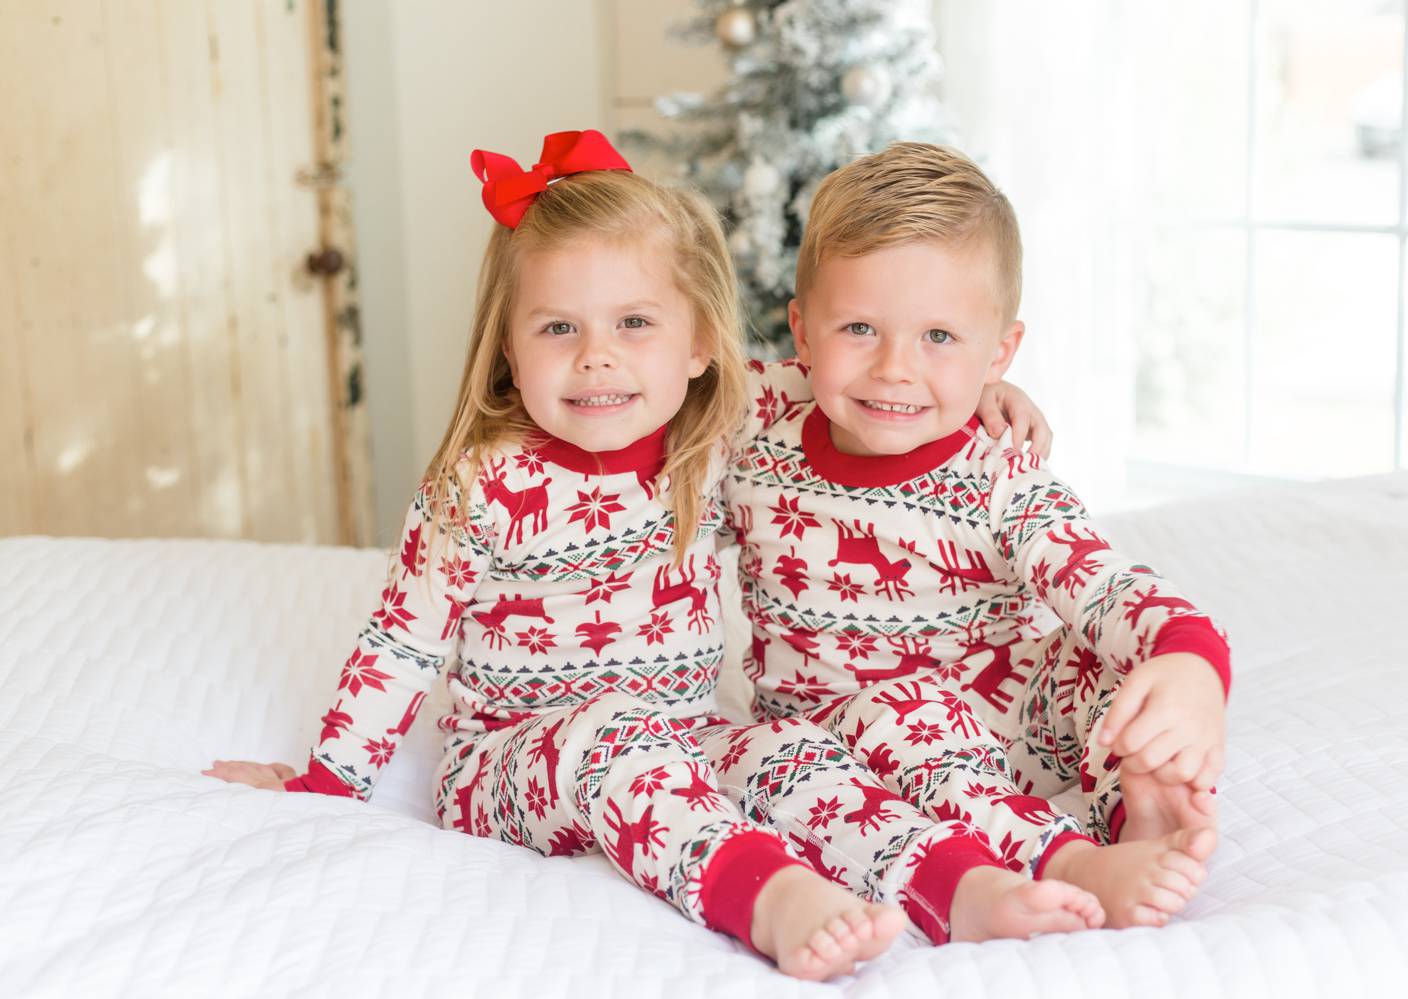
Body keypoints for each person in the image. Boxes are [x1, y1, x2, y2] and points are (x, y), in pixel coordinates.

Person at [201, 131, 1096, 975]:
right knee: (614, 739)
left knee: (791, 751)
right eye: (559, 329)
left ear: (701, 341)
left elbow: (868, 381)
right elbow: (401, 643)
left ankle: (959, 885)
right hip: (514, 762)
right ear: (509, 349)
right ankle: (774, 898)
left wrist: (981, 383)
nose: (599, 360)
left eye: (635, 323)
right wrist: (327, 781)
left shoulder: (716, 436)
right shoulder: (482, 484)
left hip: (689, 734)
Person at [723, 141, 1229, 928]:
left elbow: (1101, 581)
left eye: (939, 338)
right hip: (854, 727)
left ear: (999, 353)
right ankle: (1069, 859)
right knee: (791, 753)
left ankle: (1140, 800)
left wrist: (1189, 658)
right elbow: (658, 383)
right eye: (859, 328)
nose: (895, 368)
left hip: (1010, 711)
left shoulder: (998, 473)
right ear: (802, 332)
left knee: (1115, 671)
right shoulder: (757, 423)